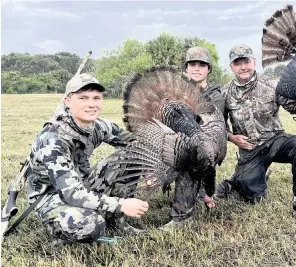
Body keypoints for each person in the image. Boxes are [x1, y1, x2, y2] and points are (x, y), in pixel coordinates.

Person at [27, 73, 149, 244]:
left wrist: (149, 171)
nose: (92, 104)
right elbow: (71, 193)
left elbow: (137, 144)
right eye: (83, 98)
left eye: (96, 98)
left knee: (133, 154)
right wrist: (121, 204)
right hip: (52, 196)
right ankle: (57, 229)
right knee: (91, 224)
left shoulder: (99, 126)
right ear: (67, 101)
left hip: (82, 183)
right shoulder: (53, 139)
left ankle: (117, 222)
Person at [215, 44, 296, 219]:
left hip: (276, 141)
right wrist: (231, 137)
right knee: (253, 197)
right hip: (249, 150)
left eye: (246, 61)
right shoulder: (225, 93)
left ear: (254, 62)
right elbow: (218, 124)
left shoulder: (272, 84)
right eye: (237, 63)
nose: (243, 67)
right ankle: (237, 180)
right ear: (231, 67)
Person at [161, 47, 225, 229]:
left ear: (208, 69)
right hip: (179, 140)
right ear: (186, 68)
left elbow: (211, 130)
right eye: (192, 64)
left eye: (202, 65)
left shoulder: (215, 96)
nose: (197, 68)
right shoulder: (176, 93)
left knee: (192, 152)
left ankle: (182, 217)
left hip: (209, 145)